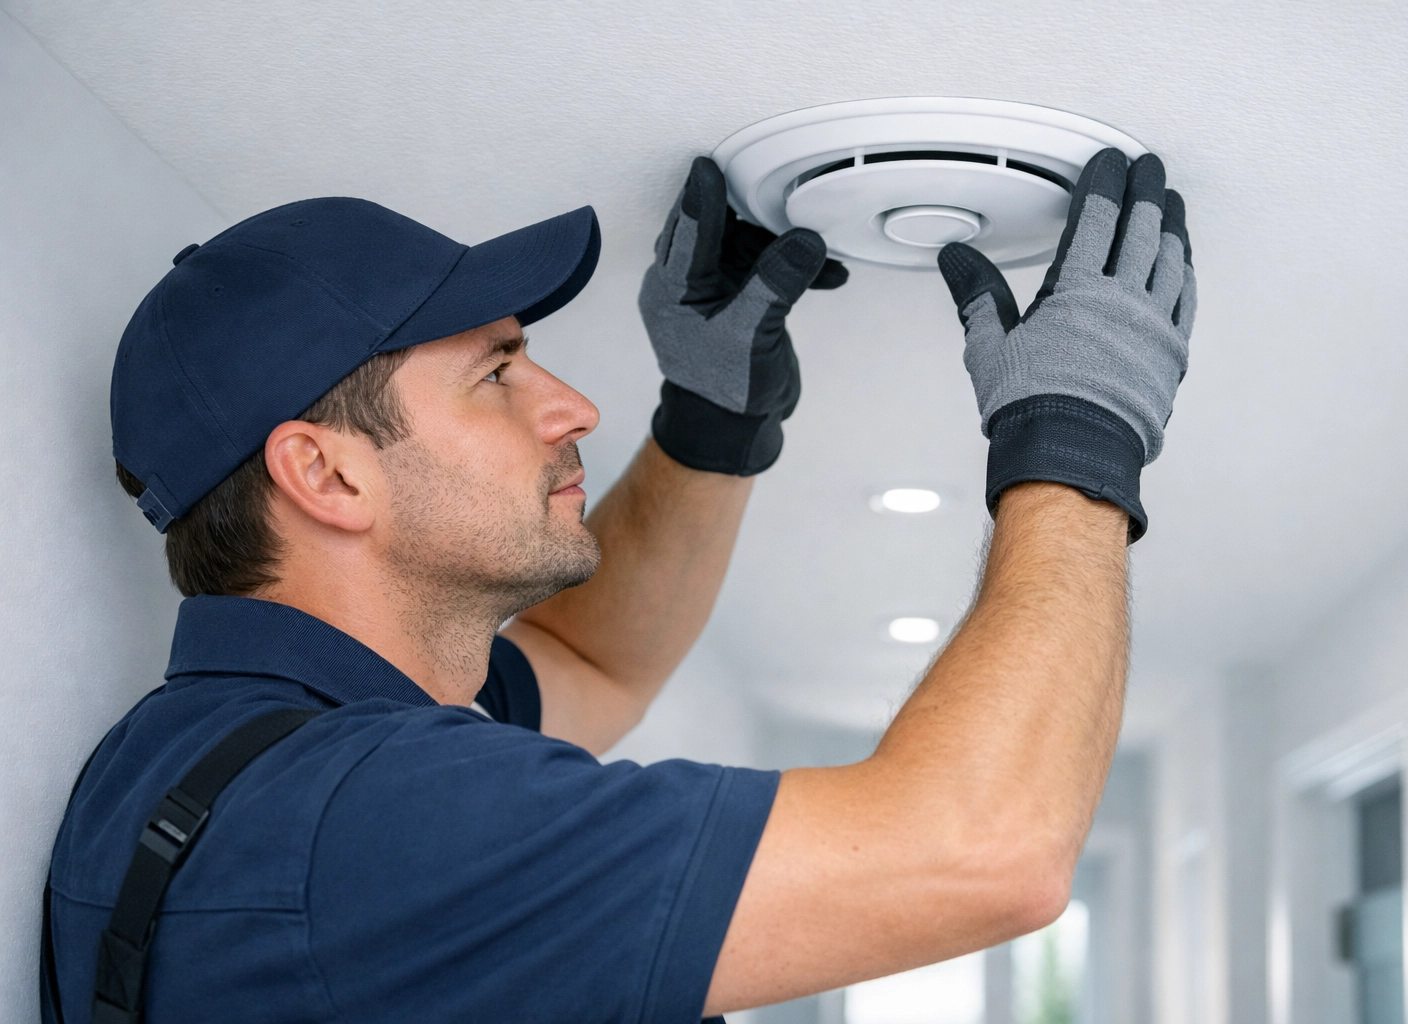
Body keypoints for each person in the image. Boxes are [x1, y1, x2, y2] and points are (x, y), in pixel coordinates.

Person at [42, 147, 1194, 1022]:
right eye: (497, 371)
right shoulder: (372, 819)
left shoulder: (236, 747)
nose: (573, 405)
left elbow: (597, 661)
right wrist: (1075, 446)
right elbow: (983, 847)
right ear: (326, 471)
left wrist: (710, 425)